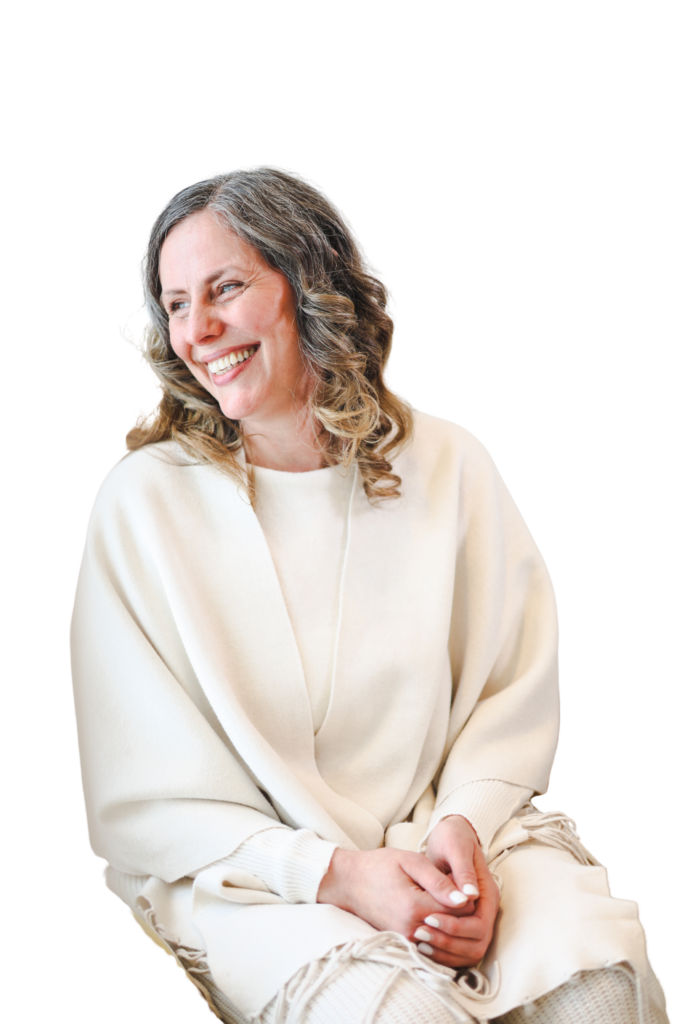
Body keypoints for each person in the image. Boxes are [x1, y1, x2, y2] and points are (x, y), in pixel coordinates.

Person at [69, 165, 669, 1024]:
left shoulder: (449, 461)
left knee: (598, 991)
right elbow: (144, 795)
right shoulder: (144, 504)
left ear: (308, 281)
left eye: (225, 288)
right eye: (175, 304)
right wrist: (339, 876)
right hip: (258, 881)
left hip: (453, 832)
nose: (197, 330)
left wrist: (461, 834)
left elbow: (508, 693)